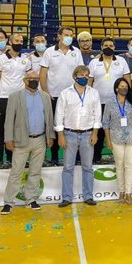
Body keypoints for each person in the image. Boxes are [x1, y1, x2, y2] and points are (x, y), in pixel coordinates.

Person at [0, 71, 55, 214]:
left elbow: (49, 118)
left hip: (40, 140)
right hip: (21, 140)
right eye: (32, 79)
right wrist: (8, 139)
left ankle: (31, 199)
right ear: (25, 80)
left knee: (35, 171)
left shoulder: (45, 97)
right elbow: (9, 120)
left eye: (37, 79)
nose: (35, 81)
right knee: (16, 172)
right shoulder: (15, 97)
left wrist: (50, 136)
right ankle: (8, 202)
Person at [56, 65, 102, 207]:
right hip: (69, 134)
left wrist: (95, 133)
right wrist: (60, 135)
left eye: (86, 75)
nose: (84, 78)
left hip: (88, 134)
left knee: (88, 167)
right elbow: (59, 114)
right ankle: (67, 197)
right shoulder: (65, 93)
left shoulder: (94, 93)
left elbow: (97, 114)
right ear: (75, 76)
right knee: (68, 167)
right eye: (81, 75)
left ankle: (88, 196)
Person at [40, 27, 83, 165]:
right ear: (59, 36)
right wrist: (46, 92)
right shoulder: (49, 52)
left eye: (71, 35)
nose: (69, 37)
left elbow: (81, 72)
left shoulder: (76, 52)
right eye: (66, 35)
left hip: (73, 96)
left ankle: (75, 157)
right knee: (55, 126)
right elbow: (43, 73)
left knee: (73, 125)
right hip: (54, 95)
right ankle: (53, 156)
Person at [89, 37, 131, 163]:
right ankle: (96, 157)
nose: (108, 47)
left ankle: (119, 157)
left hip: (118, 102)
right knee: (100, 131)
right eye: (105, 45)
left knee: (119, 129)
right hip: (98, 103)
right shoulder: (94, 63)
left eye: (111, 45)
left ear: (114, 47)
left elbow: (127, 81)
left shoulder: (122, 61)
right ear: (101, 47)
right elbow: (89, 83)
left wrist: (127, 98)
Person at [103, 78, 132, 204]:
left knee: (129, 165)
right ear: (116, 88)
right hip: (116, 138)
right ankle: (121, 193)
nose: (124, 88)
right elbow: (105, 122)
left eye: (126, 86)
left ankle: (128, 193)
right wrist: (108, 140)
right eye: (121, 86)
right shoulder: (110, 103)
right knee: (119, 165)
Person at [0, 33, 30, 166]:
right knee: (1, 128)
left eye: (21, 41)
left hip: (21, 98)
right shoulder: (1, 58)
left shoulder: (26, 59)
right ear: (10, 41)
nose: (19, 43)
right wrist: (3, 90)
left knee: (19, 129)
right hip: (4, 98)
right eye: (17, 40)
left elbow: (27, 77)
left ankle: (14, 158)